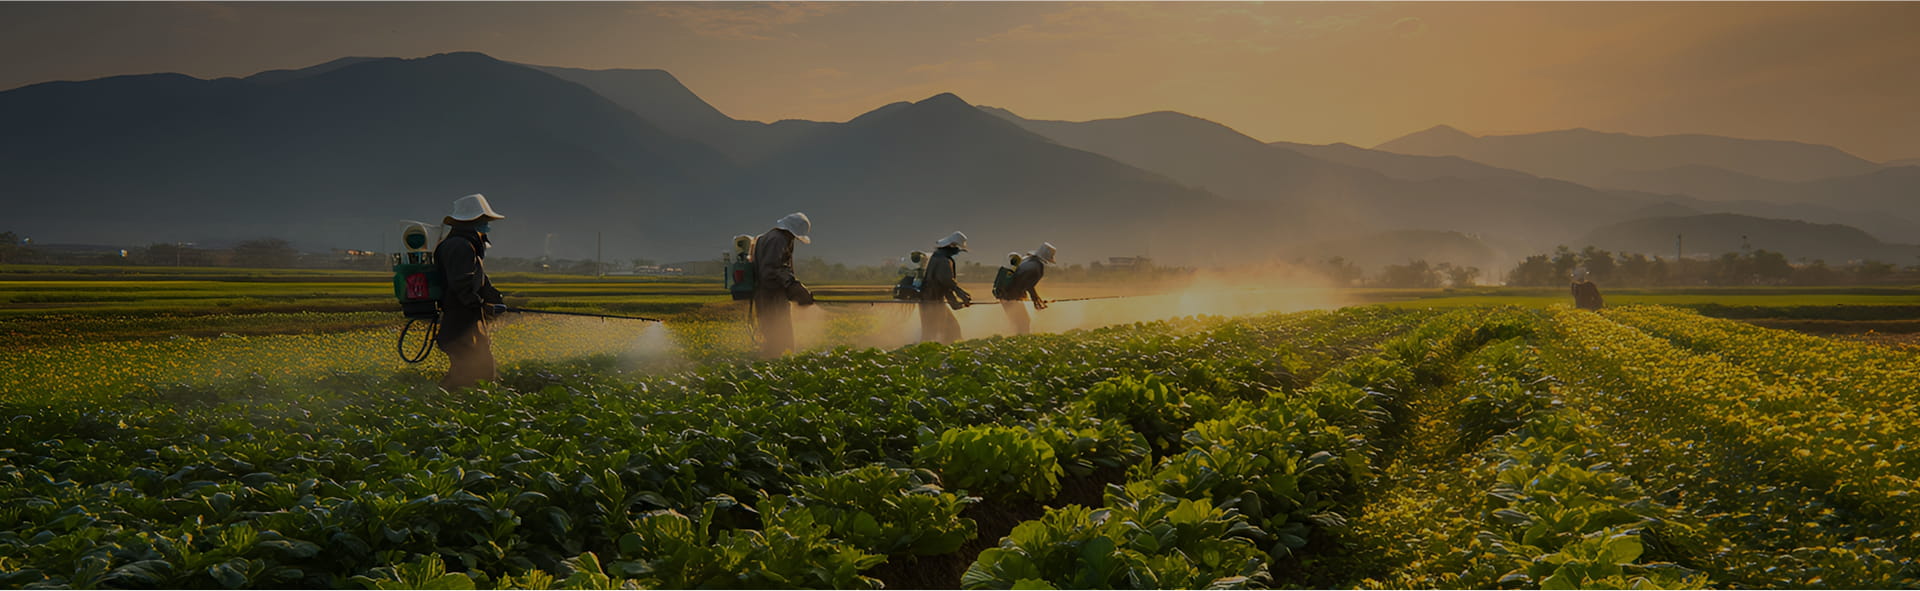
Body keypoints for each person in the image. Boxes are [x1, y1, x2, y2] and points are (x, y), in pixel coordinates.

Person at [435, 193, 507, 389]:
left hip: (465, 324)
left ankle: (440, 404)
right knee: (476, 372)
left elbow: (480, 280)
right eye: (484, 220)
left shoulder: (467, 244)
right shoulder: (460, 246)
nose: (487, 225)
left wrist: (494, 298)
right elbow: (462, 284)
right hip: (460, 325)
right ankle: (442, 406)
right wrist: (482, 305)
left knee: (471, 372)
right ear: (474, 221)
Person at [753, 212, 816, 358]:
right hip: (771, 294)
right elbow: (772, 269)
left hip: (769, 293)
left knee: (773, 332)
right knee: (779, 335)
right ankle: (777, 363)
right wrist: (792, 284)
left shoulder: (770, 237)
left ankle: (773, 362)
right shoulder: (778, 240)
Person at [920, 231, 972, 344]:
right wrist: (961, 293)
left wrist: (954, 302)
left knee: (949, 329)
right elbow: (947, 282)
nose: (957, 252)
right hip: (932, 301)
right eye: (957, 249)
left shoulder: (938, 257)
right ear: (952, 246)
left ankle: (943, 348)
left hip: (933, 300)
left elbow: (945, 287)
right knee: (935, 332)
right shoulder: (942, 260)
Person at [998, 242, 1055, 335]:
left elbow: (1023, 282)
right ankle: (1020, 342)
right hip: (1011, 296)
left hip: (1004, 293)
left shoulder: (1026, 260)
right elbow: (1028, 284)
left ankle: (1017, 339)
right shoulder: (1036, 267)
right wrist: (1035, 298)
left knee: (1019, 323)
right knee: (1024, 322)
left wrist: (1035, 297)